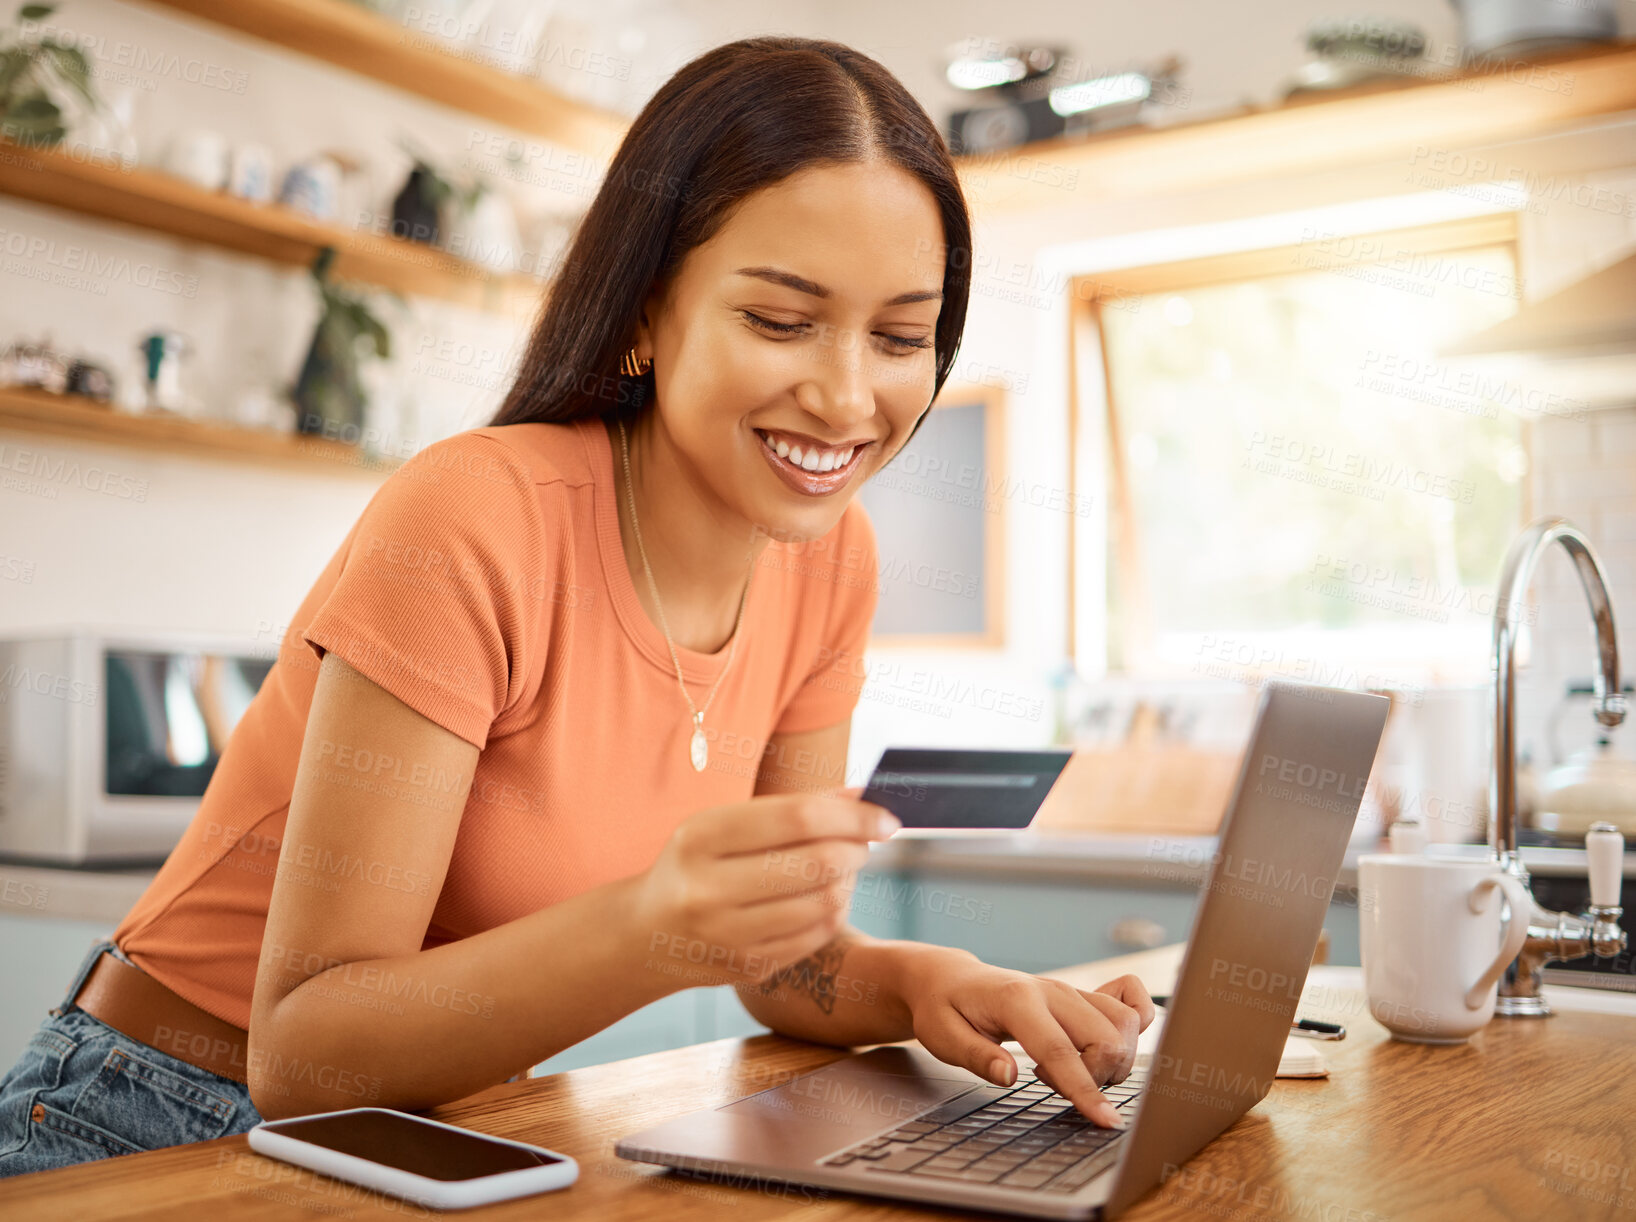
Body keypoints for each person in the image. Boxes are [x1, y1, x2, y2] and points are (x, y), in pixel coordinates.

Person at [0, 35, 1153, 1178]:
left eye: (901, 337)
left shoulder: (830, 556)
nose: (850, 395)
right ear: (648, 313)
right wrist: (656, 928)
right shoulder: (476, 514)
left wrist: (929, 981)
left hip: (437, 1136)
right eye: (779, 319)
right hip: (150, 1117)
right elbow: (304, 1053)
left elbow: (780, 960)